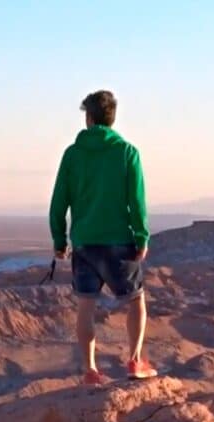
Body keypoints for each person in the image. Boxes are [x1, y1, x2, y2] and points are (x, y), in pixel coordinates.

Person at [49, 90, 158, 384]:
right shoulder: (127, 152)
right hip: (119, 242)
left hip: (84, 243)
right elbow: (137, 201)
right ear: (112, 118)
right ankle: (135, 361)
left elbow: (59, 201)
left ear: (89, 117)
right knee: (135, 300)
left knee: (86, 306)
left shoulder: (72, 154)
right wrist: (142, 237)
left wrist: (60, 241)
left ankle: (90, 370)